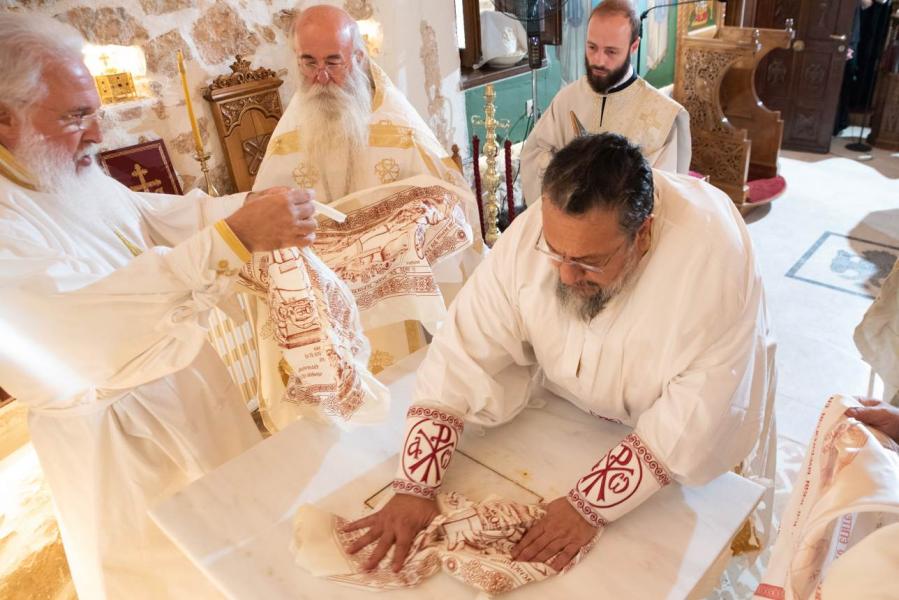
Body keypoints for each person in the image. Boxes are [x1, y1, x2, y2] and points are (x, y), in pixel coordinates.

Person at [344, 133, 774, 573]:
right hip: (571, 417)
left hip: (672, 434)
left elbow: (697, 414)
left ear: (642, 235)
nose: (566, 276)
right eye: (556, 253)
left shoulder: (711, 266)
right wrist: (415, 486)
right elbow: (463, 348)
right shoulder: (539, 230)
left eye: (590, 262)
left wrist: (588, 506)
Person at [0, 13, 318, 599]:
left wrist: (254, 209)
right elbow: (85, 323)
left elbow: (157, 220)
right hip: (123, 442)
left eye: (95, 112)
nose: (97, 134)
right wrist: (234, 239)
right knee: (167, 576)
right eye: (75, 116)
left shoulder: (61, 169)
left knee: (246, 550)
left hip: (185, 390)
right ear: (4, 117)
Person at [253, 4, 483, 375]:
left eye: (334, 61)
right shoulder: (288, 137)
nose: (321, 76)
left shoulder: (400, 131)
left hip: (391, 294)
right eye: (309, 63)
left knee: (398, 379)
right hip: (321, 302)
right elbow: (262, 217)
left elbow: (449, 206)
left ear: (358, 58)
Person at [520, 0, 691, 205]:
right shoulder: (567, 99)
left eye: (611, 51)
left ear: (634, 46)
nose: (599, 61)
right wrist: (567, 176)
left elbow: (661, 194)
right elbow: (534, 153)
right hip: (565, 219)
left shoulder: (663, 116)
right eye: (592, 47)